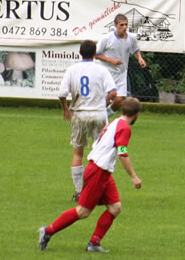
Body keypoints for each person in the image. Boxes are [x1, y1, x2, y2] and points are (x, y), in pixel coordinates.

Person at [38, 97, 143, 254]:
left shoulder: (114, 123)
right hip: (98, 171)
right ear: (137, 114)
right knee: (83, 212)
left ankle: (94, 243)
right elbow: (122, 154)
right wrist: (134, 176)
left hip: (102, 171)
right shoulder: (124, 128)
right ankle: (48, 231)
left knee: (115, 207)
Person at [59, 39, 117, 202]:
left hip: (79, 114)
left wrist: (65, 109)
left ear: (80, 53)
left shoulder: (72, 69)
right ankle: (98, 191)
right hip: (98, 114)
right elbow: (113, 92)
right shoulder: (102, 70)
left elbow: (62, 93)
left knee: (78, 153)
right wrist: (104, 102)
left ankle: (79, 192)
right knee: (101, 154)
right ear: (94, 54)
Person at [95, 14, 146, 116]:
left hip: (122, 73)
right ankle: (96, 116)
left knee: (119, 100)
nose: (124, 27)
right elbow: (96, 54)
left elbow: (135, 49)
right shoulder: (106, 38)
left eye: (126, 25)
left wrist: (140, 58)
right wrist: (111, 60)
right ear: (115, 25)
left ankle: (104, 117)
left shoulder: (131, 38)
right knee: (104, 100)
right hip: (107, 72)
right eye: (121, 25)